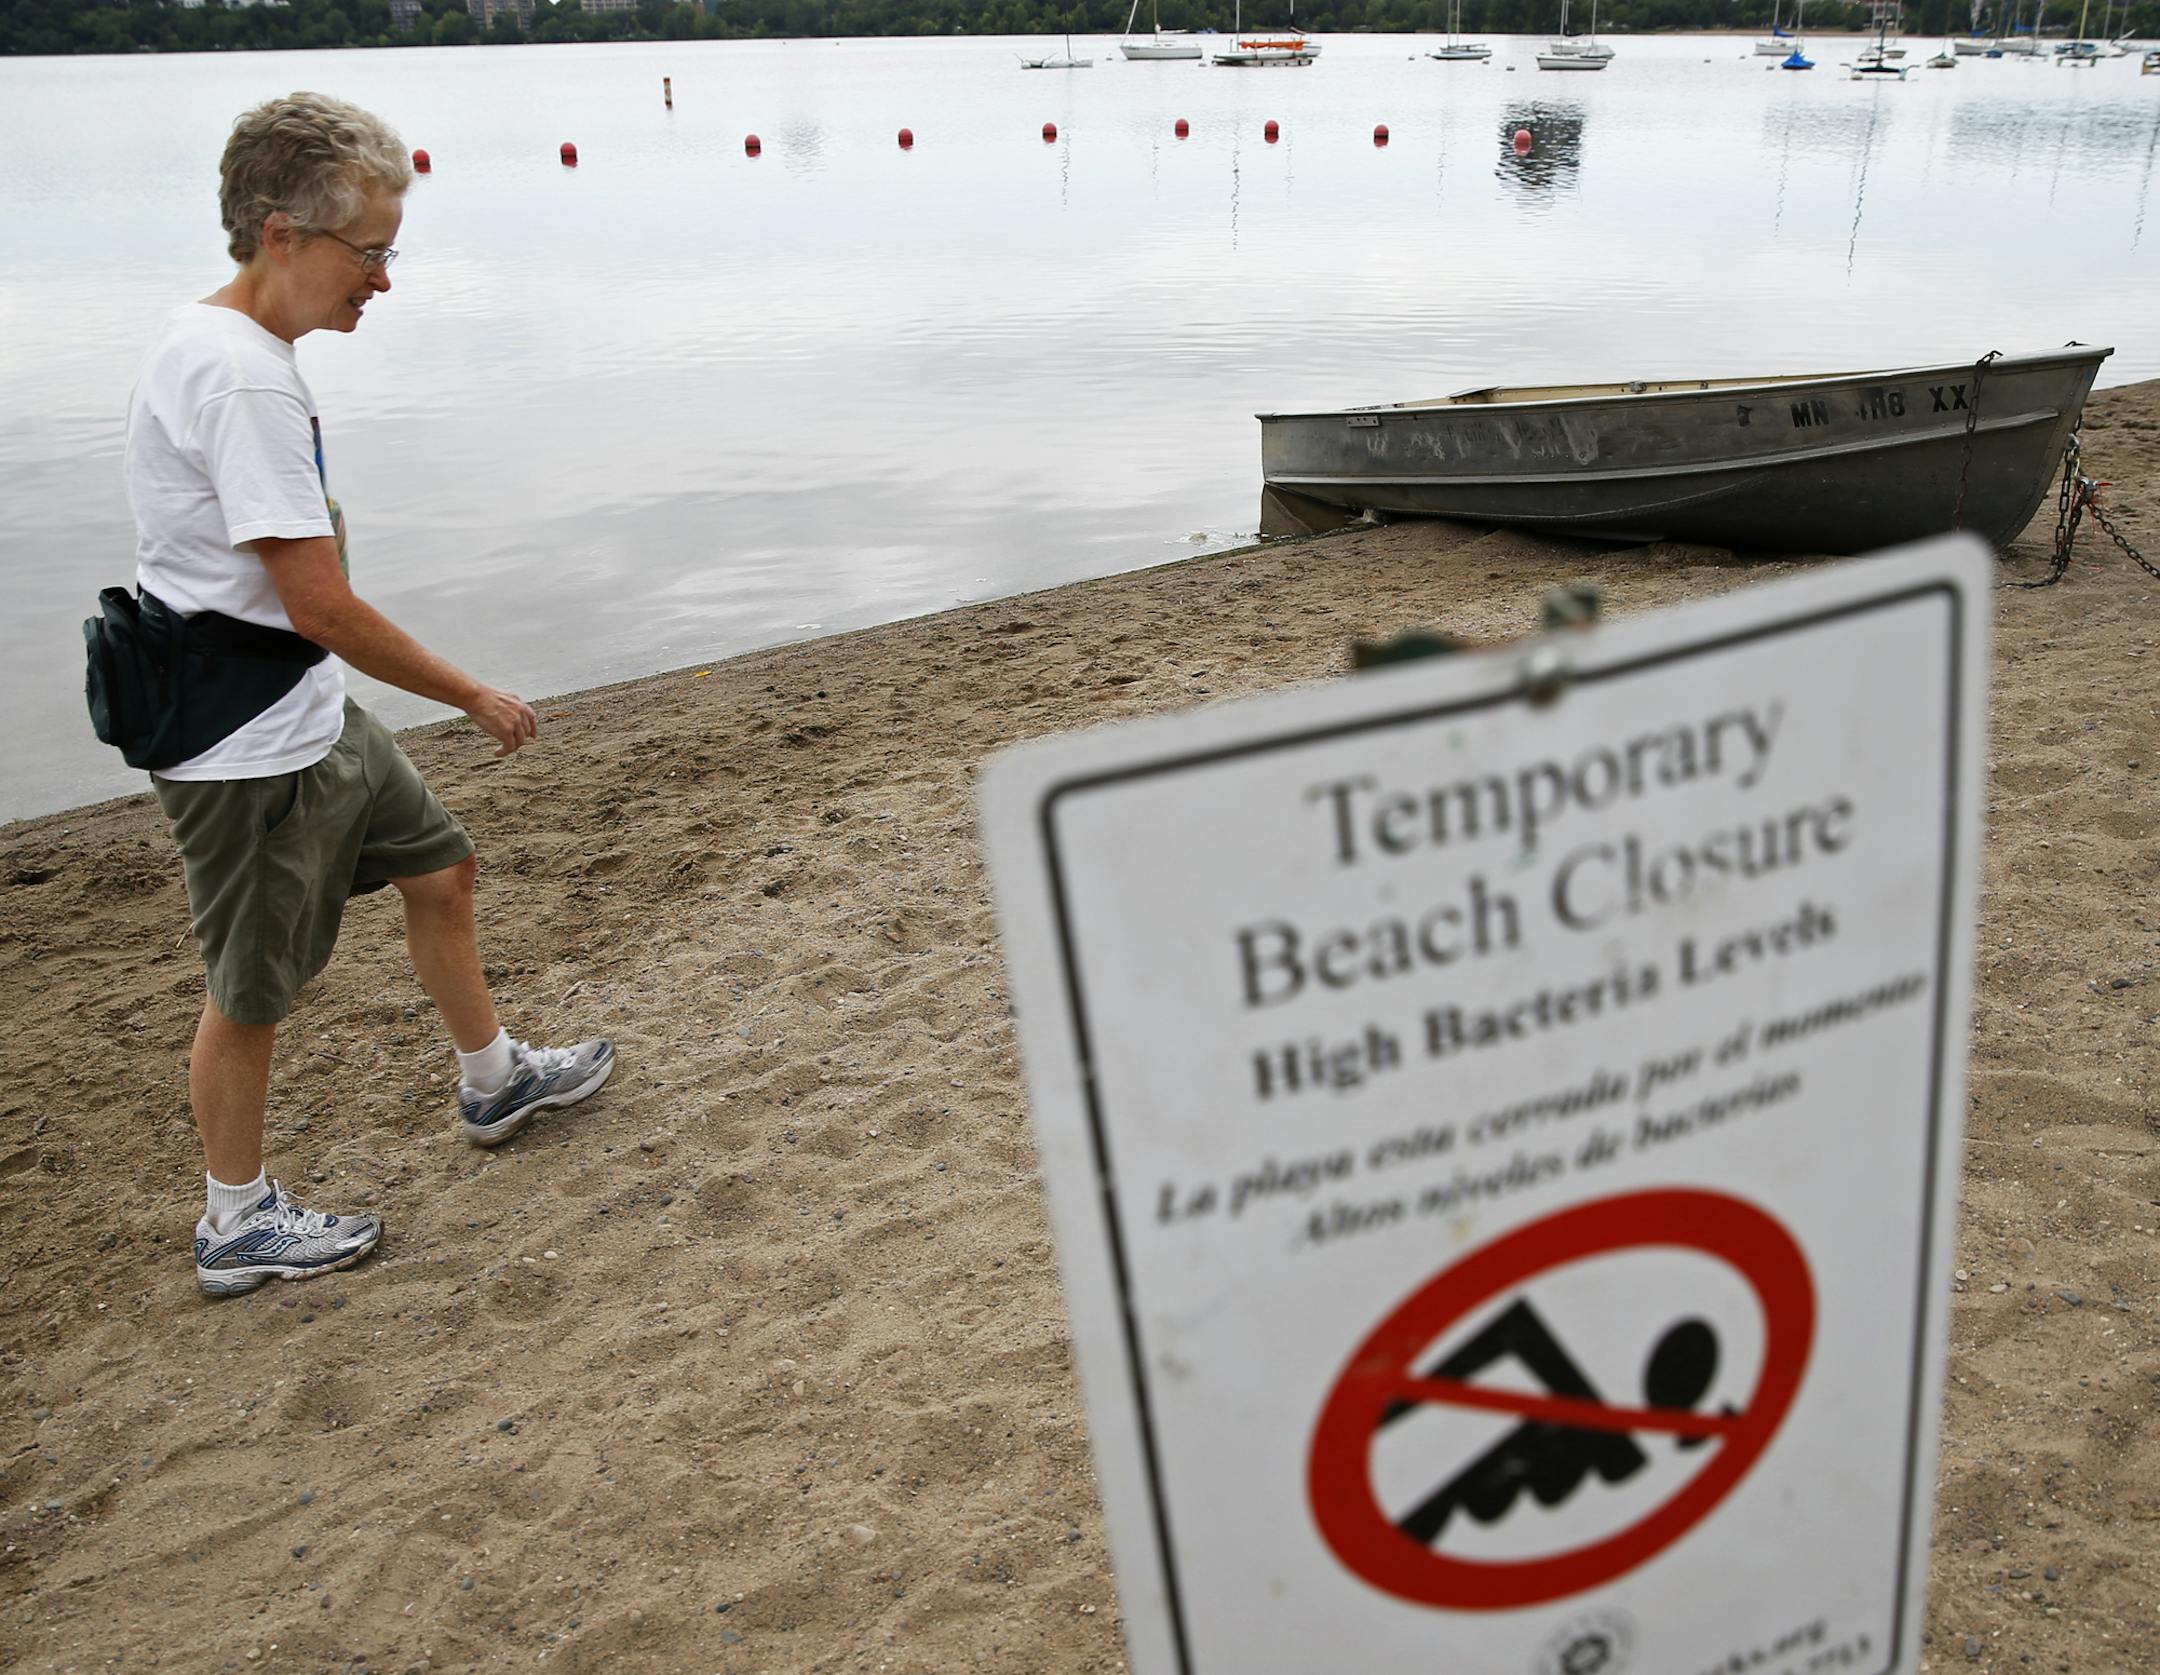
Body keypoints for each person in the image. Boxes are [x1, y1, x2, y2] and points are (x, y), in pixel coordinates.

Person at [123, 92, 614, 1298]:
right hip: (244, 741)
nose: (384, 282)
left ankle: (494, 1077)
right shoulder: (242, 382)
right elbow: (321, 604)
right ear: (283, 233)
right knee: (252, 986)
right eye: (372, 253)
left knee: (439, 868)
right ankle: (235, 1220)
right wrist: (472, 693)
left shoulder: (224, 342)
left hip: (301, 707)